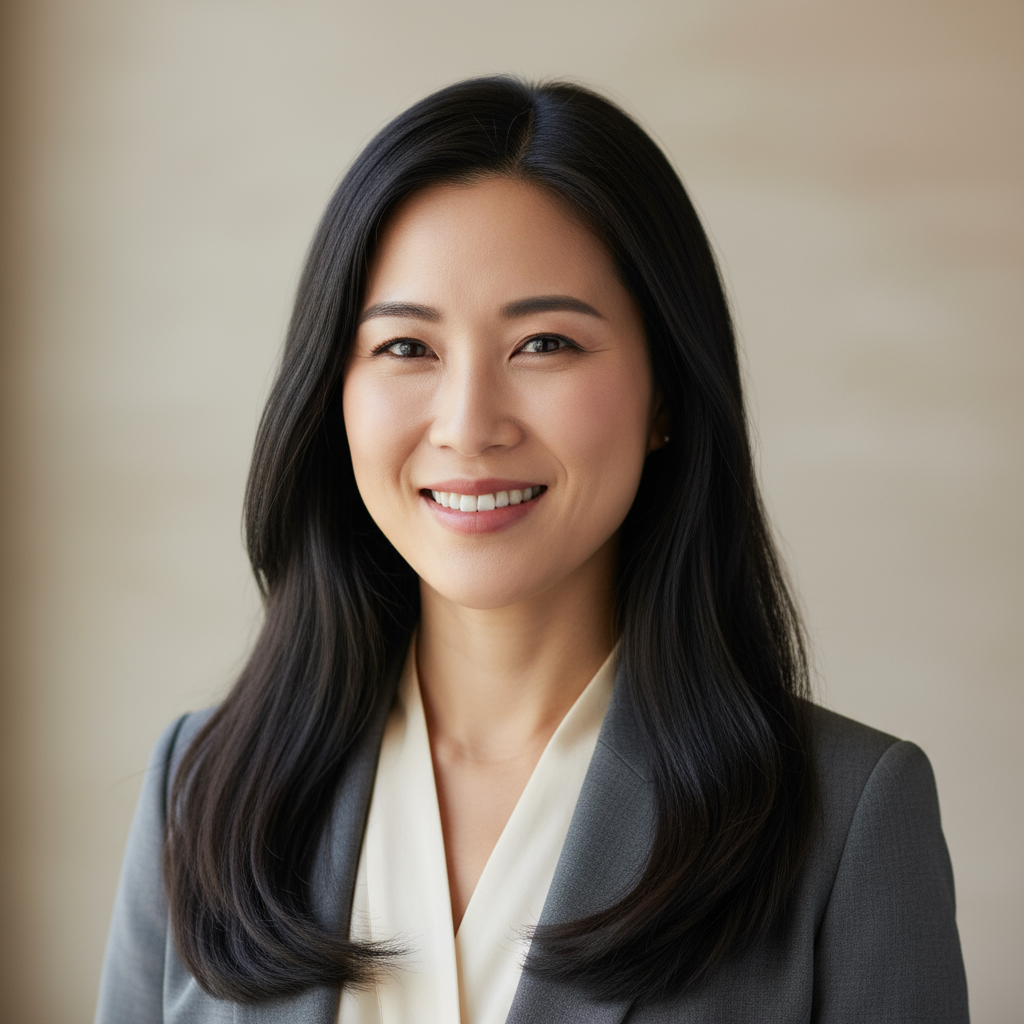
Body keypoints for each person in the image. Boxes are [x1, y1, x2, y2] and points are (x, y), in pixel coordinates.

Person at [94, 77, 969, 1024]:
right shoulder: (204, 789)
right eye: (405, 348)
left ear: (666, 393)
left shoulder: (845, 821)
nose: (469, 427)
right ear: (332, 390)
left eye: (545, 342)